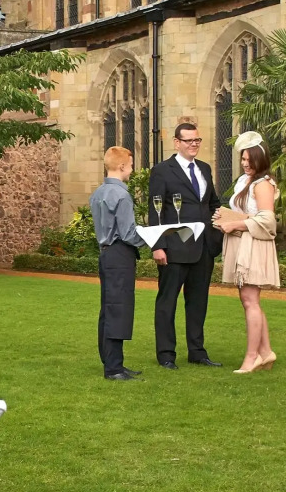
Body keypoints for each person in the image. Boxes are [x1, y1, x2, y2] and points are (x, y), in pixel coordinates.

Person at [146, 119, 223, 369]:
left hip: (203, 248)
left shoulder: (205, 169)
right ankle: (166, 355)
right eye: (188, 140)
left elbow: (212, 203)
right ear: (177, 142)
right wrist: (158, 246)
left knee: (198, 302)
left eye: (197, 140)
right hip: (174, 248)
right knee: (167, 302)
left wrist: (219, 230)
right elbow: (155, 209)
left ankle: (197, 352)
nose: (194, 144)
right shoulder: (162, 171)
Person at [212, 131, 279, 373]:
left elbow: (268, 221)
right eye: (243, 159)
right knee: (249, 300)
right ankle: (265, 352)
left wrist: (235, 224)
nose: (245, 164)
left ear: (260, 159)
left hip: (254, 244)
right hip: (242, 241)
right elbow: (246, 212)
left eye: (249, 160)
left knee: (250, 300)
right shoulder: (244, 181)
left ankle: (252, 357)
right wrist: (224, 217)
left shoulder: (263, 184)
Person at [88, 146, 145, 380]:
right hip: (120, 254)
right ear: (121, 166)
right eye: (130, 165)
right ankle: (113, 368)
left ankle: (113, 362)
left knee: (109, 308)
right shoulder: (122, 195)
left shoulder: (98, 193)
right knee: (118, 309)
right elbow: (128, 233)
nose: (132, 170)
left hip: (106, 254)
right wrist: (153, 237)